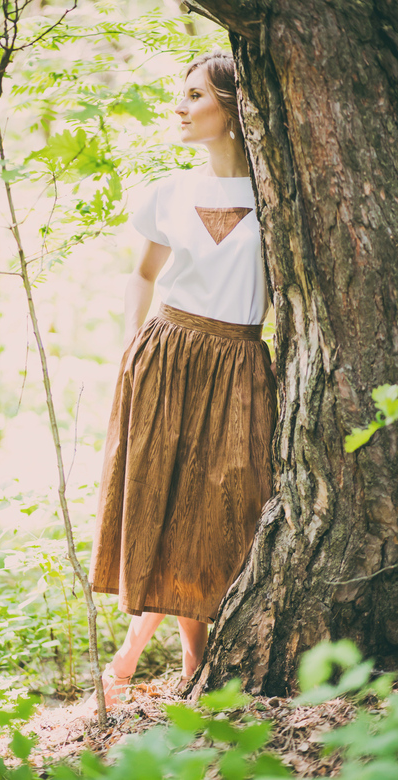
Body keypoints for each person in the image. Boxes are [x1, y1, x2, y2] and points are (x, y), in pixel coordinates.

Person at [84, 51, 277, 711]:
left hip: (239, 361)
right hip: (166, 355)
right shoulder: (170, 192)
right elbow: (143, 274)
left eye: (195, 95)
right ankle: (189, 658)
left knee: (226, 512)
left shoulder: (274, 192)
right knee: (167, 505)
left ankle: (138, 653)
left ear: (233, 106)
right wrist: (130, 347)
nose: (180, 107)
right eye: (179, 95)